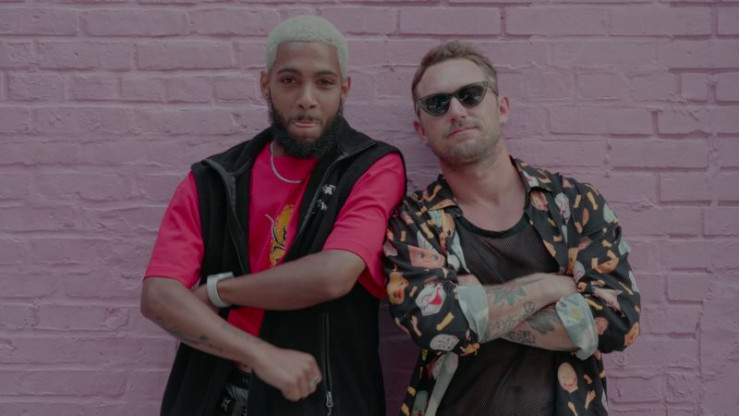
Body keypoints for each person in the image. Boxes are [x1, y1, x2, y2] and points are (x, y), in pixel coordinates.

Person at [141, 15, 406, 416]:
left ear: (344, 89)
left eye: (324, 82)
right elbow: (159, 296)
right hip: (215, 397)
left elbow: (333, 274)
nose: (306, 98)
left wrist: (218, 291)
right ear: (265, 84)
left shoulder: (371, 167)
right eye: (289, 80)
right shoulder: (214, 179)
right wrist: (260, 353)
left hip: (322, 401)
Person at [383, 41, 640, 416]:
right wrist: (551, 287)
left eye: (470, 95)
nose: (456, 111)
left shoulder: (575, 205)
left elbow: (617, 322)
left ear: (502, 108)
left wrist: (473, 307)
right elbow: (432, 324)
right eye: (437, 104)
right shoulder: (414, 220)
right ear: (421, 129)